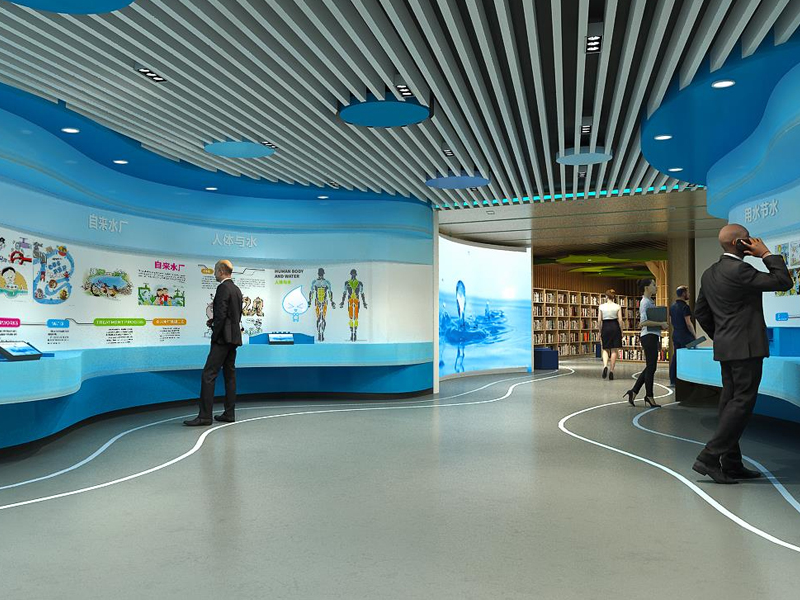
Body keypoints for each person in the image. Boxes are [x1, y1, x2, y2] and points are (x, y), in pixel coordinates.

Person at [691, 224, 792, 484]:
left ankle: (732, 463)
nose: (753, 242)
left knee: (730, 402)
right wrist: (766, 253)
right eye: (748, 239)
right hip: (746, 348)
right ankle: (709, 457)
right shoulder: (740, 270)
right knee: (742, 403)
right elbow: (783, 281)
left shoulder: (709, 273)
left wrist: (722, 336)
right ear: (739, 244)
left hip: (727, 347)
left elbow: (701, 312)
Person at [184, 260, 243, 426]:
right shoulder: (236, 289)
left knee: (208, 375)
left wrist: (215, 334)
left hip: (222, 339)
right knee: (230, 375)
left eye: (215, 270)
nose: (214, 273)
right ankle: (229, 413)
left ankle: (204, 416)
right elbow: (234, 316)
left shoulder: (223, 288)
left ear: (221, 271)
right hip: (233, 338)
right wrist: (215, 322)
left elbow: (221, 315)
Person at [624, 278, 668, 407]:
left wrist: (659, 325)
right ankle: (649, 396)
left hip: (652, 336)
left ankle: (634, 391)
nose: (656, 287)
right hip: (648, 337)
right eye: (653, 285)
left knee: (650, 367)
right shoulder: (645, 303)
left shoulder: (649, 302)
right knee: (651, 367)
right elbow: (643, 322)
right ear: (647, 288)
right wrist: (661, 323)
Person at [669, 285, 697, 387]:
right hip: (685, 336)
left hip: (676, 334)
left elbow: (671, 321)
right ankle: (688, 380)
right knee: (688, 357)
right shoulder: (685, 307)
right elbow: (688, 323)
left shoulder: (672, 307)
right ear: (684, 293)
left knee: (676, 357)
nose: (689, 294)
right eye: (687, 292)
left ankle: (673, 380)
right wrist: (694, 335)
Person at [597, 289, 623, 380]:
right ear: (614, 297)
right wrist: (621, 330)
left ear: (606, 297)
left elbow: (599, 320)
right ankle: (611, 371)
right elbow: (620, 320)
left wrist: (600, 331)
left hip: (605, 326)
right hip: (615, 326)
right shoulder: (617, 306)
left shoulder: (601, 306)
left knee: (605, 348)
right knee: (614, 350)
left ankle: (605, 366)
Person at [339, 269, 368, 341]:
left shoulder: (359, 283)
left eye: (354, 274)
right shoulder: (347, 283)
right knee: (351, 317)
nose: (353, 275)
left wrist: (364, 302)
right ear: (351, 274)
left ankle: (355, 333)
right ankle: (352, 332)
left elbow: (362, 293)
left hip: (356, 301)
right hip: (350, 301)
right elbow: (344, 293)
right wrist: (342, 302)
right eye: (352, 274)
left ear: (356, 274)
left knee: (356, 317)